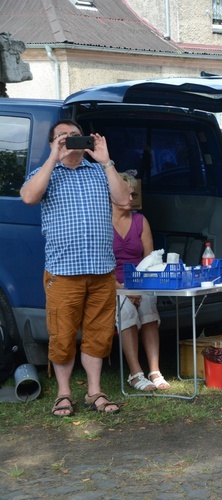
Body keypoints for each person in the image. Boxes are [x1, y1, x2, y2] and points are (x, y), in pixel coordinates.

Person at [20, 119, 130, 416]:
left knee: (98, 334)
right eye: (62, 137)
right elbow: (29, 197)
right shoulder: (44, 174)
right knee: (63, 335)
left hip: (102, 271)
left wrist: (106, 162)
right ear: (53, 143)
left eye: (75, 136)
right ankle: (64, 393)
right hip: (63, 272)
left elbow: (123, 200)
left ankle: (94, 392)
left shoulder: (99, 172)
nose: (70, 140)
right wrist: (52, 159)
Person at [113, 173, 168, 391]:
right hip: (111, 285)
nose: (131, 197)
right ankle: (135, 374)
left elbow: (151, 261)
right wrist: (123, 290)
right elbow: (97, 265)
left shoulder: (140, 221)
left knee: (148, 307)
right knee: (126, 311)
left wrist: (139, 288)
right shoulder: (101, 222)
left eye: (134, 193)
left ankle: (154, 371)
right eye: (127, 193)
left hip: (140, 283)